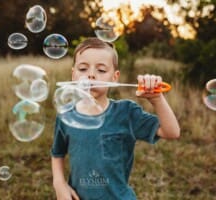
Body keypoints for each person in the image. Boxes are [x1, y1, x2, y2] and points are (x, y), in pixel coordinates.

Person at [51, 37, 180, 200]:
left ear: (115, 77)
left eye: (101, 70)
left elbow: (172, 132)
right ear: (73, 75)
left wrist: (156, 99)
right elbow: (57, 153)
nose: (91, 75)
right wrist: (59, 183)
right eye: (83, 69)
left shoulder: (126, 112)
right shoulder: (66, 115)